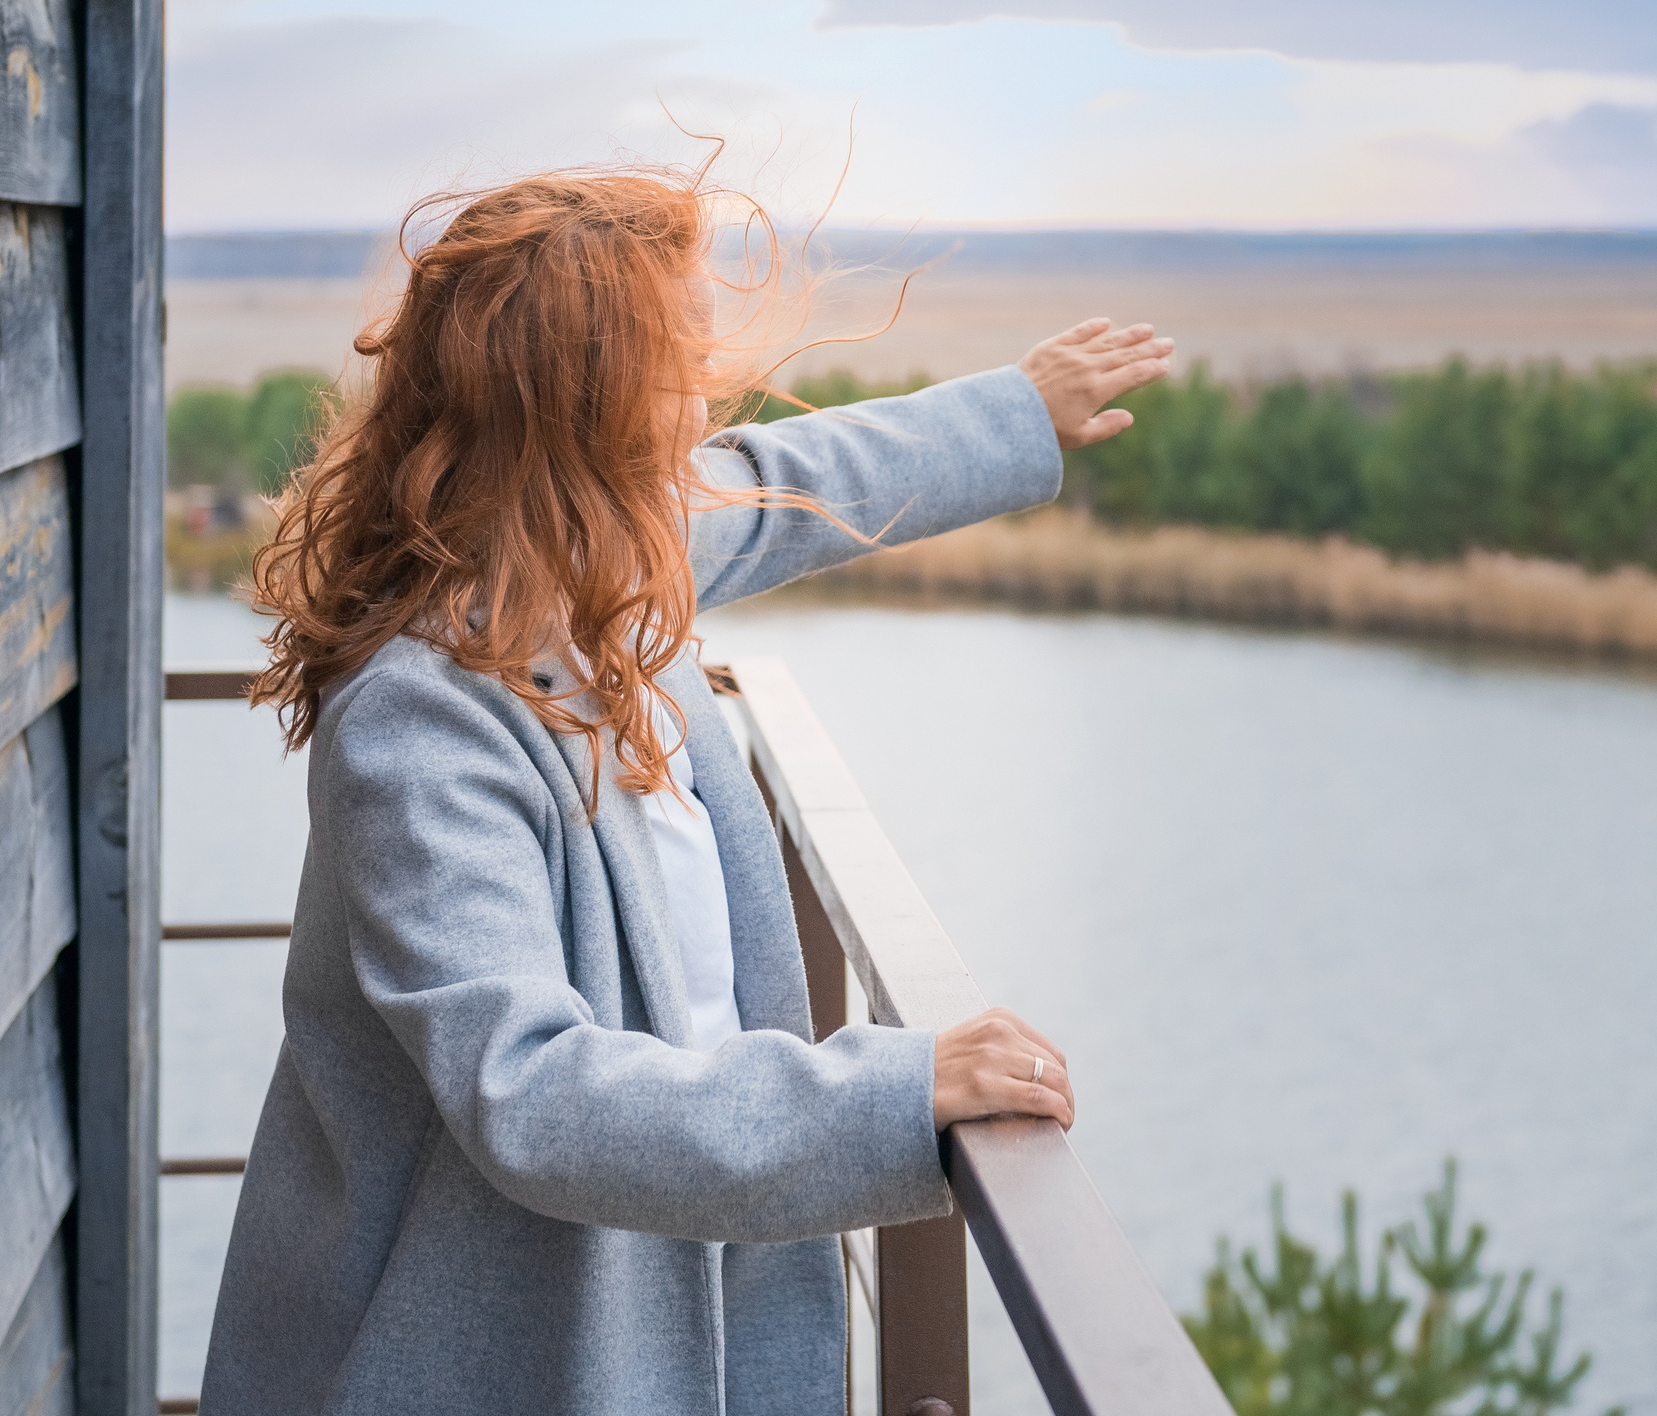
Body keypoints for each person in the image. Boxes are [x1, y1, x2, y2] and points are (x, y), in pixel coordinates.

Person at [196, 168, 1173, 1414]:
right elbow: (530, 1090)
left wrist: (1017, 413)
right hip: (466, 1354)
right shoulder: (423, 719)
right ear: (583, 406)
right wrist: (893, 1088)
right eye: (679, 355)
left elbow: (789, 481)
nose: (706, 388)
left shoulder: (609, 570)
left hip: (647, 1291)